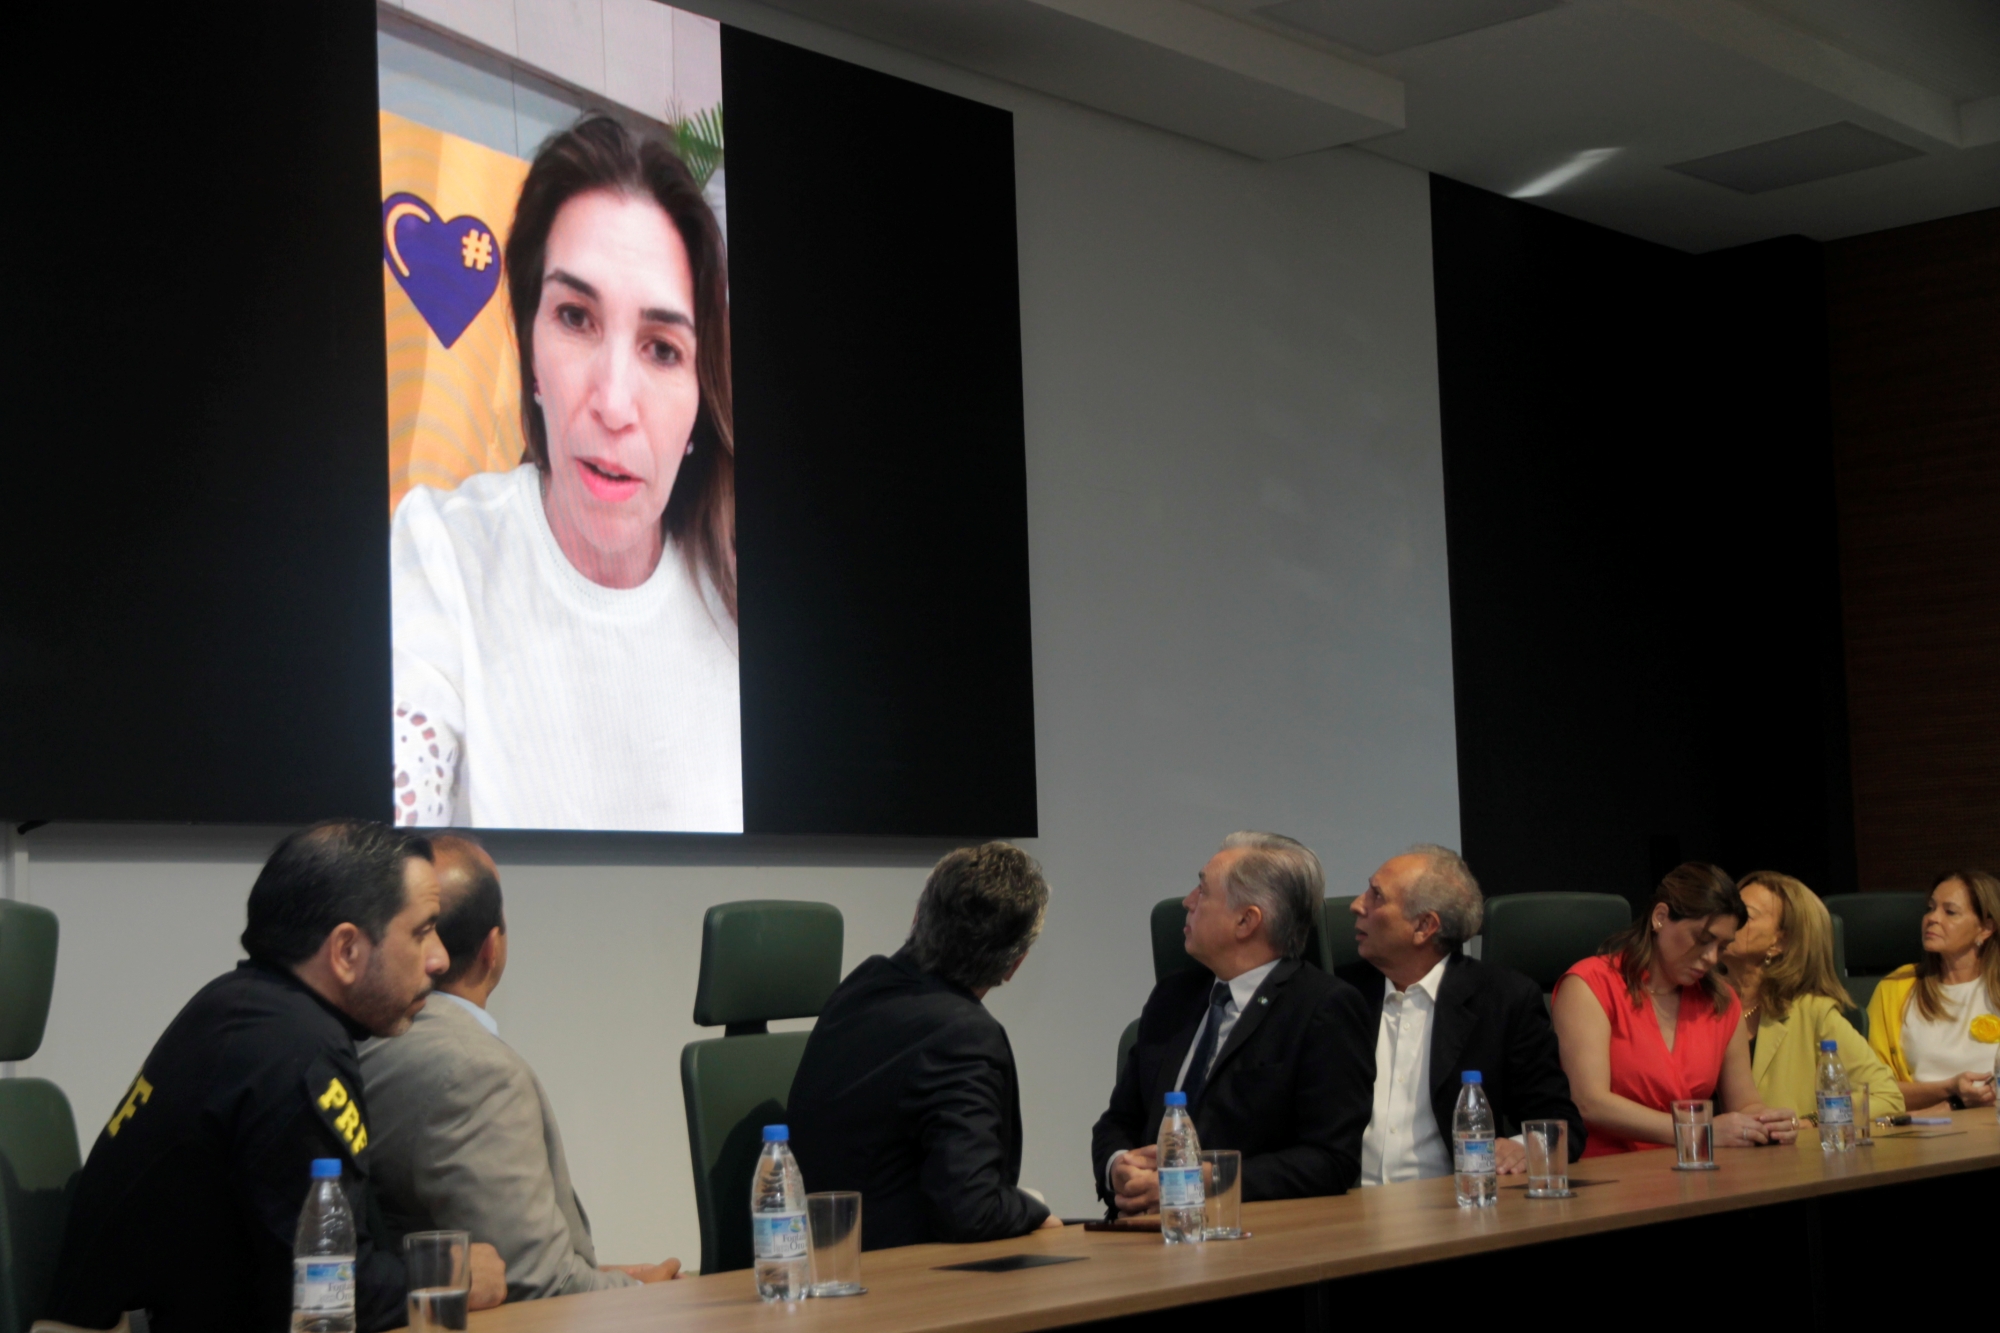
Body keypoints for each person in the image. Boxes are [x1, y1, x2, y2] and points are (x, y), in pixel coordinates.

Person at [391, 113, 740, 833]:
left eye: (662, 349)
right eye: (576, 317)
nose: (613, 404)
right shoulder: (442, 554)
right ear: (529, 350)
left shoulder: (739, 596)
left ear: (700, 399)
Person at [45, 822, 506, 1331]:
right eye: (422, 931)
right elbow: (320, 1293)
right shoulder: (295, 1054)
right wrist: (446, 1277)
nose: (439, 958)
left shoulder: (243, 1007)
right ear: (347, 951)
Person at [358, 836, 680, 1299]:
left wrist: (616, 1273)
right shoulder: (474, 1072)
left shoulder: (372, 1037)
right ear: (492, 947)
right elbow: (540, 1284)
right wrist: (644, 1292)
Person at [787, 843, 1061, 1248]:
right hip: (891, 1282)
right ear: (1013, 964)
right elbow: (970, 1212)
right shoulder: (966, 1035)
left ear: (918, 916)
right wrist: (1036, 1209)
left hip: (821, 1260)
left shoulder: (864, 984)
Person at [1092, 832, 1374, 1214]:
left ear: (1246, 920)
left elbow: (1329, 1161)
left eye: (1202, 891)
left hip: (1251, 1239)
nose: (1187, 902)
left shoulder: (1323, 1007)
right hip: (1140, 1234)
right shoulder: (1173, 998)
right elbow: (1117, 1121)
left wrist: (1198, 1182)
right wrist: (1119, 1167)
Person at [1337, 845, 1584, 1183]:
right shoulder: (1339, 995)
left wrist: (1525, 1146)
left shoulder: (1503, 999)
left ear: (1424, 926)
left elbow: (1559, 1124)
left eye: (1376, 896)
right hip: (1348, 1207)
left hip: (1454, 1207)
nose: (1356, 905)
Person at [1553, 862, 1799, 1156]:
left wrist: (1765, 1121)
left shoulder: (1722, 999)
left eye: (1722, 946)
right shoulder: (1590, 984)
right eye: (1703, 939)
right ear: (1660, 917)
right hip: (1609, 1174)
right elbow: (1589, 1102)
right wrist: (1699, 1130)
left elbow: (1744, 1103)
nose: (1711, 958)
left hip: (1693, 1167)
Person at [1717, 871, 1903, 1119]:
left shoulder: (1813, 1013)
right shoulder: (1694, 1000)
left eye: (1745, 915)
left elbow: (1887, 1097)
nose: (1728, 921)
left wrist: (1813, 1121)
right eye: (1728, 910)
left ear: (1779, 943)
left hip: (1777, 1156)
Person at [1864, 869, 1999, 1111]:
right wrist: (1950, 1089)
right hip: (1922, 1136)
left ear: (1985, 928)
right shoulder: (1894, 989)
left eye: (1950, 912)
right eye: (1930, 908)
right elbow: (1874, 1090)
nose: (1932, 918)